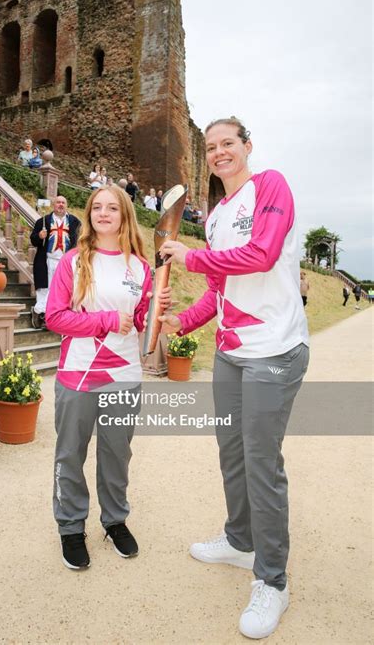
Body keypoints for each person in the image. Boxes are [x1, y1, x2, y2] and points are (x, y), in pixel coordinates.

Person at [158, 116, 309, 639]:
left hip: (275, 349)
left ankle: (273, 580)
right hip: (230, 354)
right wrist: (184, 320)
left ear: (247, 146)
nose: (219, 152)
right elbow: (220, 290)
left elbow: (262, 253)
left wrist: (191, 256)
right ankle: (240, 540)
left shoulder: (271, 187)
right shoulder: (218, 215)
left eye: (228, 143)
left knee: (261, 463)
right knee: (232, 454)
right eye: (211, 146)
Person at [45, 185, 170, 570]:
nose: (103, 213)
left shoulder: (142, 268)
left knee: (117, 454)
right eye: (96, 207)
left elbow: (146, 324)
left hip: (124, 375)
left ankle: (115, 520)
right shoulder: (73, 261)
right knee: (70, 454)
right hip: (78, 373)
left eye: (111, 207)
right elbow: (55, 317)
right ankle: (70, 526)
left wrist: (160, 310)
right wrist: (106, 320)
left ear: (124, 215)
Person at [29, 196, 80, 329]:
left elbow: (80, 239)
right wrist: (39, 237)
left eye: (63, 202)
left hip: (65, 262)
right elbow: (33, 240)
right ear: (54, 205)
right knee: (45, 289)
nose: (61, 205)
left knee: (60, 290)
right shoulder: (43, 221)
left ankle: (39, 311)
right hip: (46, 260)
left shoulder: (75, 222)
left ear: (66, 205)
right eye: (58, 202)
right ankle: (43, 316)